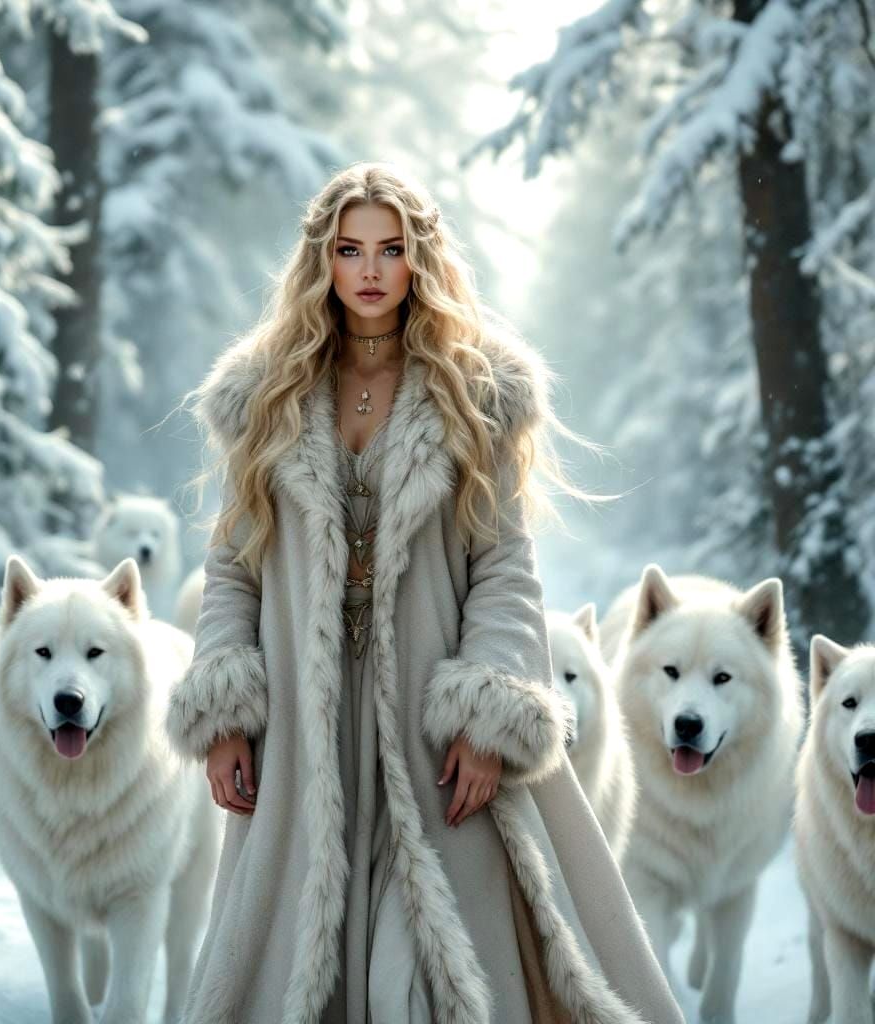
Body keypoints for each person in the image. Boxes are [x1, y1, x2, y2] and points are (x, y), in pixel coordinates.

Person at [167, 161, 685, 1024]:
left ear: (420, 260)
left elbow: (506, 570)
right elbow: (233, 566)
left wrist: (484, 721)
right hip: (304, 734)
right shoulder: (267, 400)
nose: (369, 270)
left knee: (440, 973)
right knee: (300, 964)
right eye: (350, 249)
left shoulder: (472, 394)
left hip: (430, 736)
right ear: (323, 261)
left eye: (391, 249)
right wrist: (225, 712)